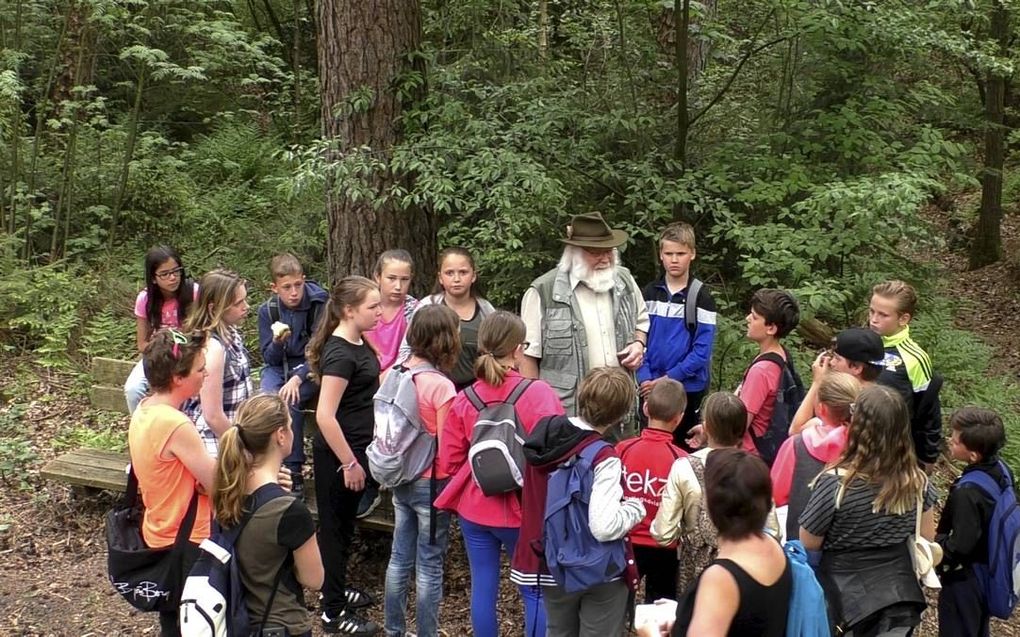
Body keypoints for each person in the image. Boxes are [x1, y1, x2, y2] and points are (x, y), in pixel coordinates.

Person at [434, 311, 565, 637]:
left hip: (475, 509)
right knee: (534, 590)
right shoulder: (538, 393)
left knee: (483, 586)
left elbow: (449, 461)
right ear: (518, 349)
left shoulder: (465, 398)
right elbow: (560, 452)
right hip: (524, 510)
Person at [514, 367, 646, 637]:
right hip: (598, 569)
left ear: (582, 395)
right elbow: (604, 526)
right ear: (620, 414)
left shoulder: (544, 438)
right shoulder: (604, 457)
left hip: (551, 559)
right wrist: (635, 509)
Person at [800, 384, 937, 636]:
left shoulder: (836, 484)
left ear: (857, 426)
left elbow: (808, 541)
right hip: (901, 600)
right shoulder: (918, 482)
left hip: (843, 602)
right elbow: (926, 536)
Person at [641, 449, 792, 637]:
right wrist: (684, 617)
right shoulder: (773, 549)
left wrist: (650, 634)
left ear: (711, 507)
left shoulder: (721, 578)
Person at [306, 276, 382, 635]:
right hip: (339, 457)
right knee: (334, 531)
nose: (380, 312)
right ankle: (332, 612)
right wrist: (349, 462)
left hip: (357, 450)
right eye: (373, 306)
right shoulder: (339, 353)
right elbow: (324, 415)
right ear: (349, 311)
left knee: (345, 528)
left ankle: (334, 589)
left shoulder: (358, 340)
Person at [127, 328, 215, 636]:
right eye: (200, 370)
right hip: (189, 538)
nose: (206, 374)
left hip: (160, 529)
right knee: (197, 623)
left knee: (174, 621)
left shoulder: (144, 410)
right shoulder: (175, 423)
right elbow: (215, 483)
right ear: (178, 378)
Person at [214, 394, 324, 637]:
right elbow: (314, 579)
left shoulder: (226, 491)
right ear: (280, 435)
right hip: (279, 624)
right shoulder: (290, 511)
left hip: (234, 619)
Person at [520, 212, 650, 415]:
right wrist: (537, 412)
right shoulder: (543, 291)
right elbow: (528, 357)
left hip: (621, 408)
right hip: (567, 411)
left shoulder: (624, 281)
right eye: (595, 252)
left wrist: (638, 344)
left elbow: (641, 322)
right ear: (574, 253)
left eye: (609, 251)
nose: (606, 258)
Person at [382, 305, 460, 637]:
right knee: (429, 564)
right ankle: (427, 632)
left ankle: (394, 630)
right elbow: (447, 443)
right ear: (444, 339)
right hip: (431, 482)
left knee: (399, 558)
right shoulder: (439, 385)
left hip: (400, 476)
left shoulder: (392, 373)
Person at [651, 392, 760, 593]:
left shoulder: (684, 467)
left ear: (706, 427)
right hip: (744, 568)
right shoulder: (755, 469)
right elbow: (773, 531)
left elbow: (663, 533)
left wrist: (687, 534)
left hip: (696, 571)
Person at [637, 222, 717, 449]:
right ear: (660, 255)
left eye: (680, 253)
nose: (674, 259)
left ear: (692, 254)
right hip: (650, 389)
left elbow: (701, 352)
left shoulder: (701, 297)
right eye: (668, 253)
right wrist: (645, 378)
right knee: (651, 448)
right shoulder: (649, 293)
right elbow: (638, 340)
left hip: (687, 391)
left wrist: (668, 379)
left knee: (682, 452)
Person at [256, 253, 328, 495]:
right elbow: (269, 358)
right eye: (286, 288)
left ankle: (293, 468)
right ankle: (267, 465)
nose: (294, 292)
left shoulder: (319, 304)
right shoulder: (268, 312)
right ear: (274, 288)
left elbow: (322, 347)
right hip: (279, 365)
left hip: (311, 365)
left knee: (290, 399)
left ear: (304, 280)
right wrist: (277, 343)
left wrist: (298, 377)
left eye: (298, 285)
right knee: (265, 403)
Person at [937, 407, 1008, 637]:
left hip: (965, 581)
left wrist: (936, 556)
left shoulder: (967, 491)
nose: (950, 441)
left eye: (956, 441)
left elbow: (961, 545)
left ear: (974, 455)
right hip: (989, 567)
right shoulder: (1000, 470)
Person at [615, 379, 687, 602]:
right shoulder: (682, 460)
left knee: (616, 605)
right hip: (664, 546)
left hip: (624, 541)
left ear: (646, 408)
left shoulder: (623, 448)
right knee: (660, 610)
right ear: (679, 418)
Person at [771, 371, 860, 541]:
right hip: (851, 546)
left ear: (821, 408)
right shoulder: (871, 446)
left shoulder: (796, 445)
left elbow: (776, 495)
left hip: (801, 545)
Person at [869, 280, 941, 470]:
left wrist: (927, 458)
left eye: (883, 315)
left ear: (903, 319)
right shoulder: (858, 342)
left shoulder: (915, 358)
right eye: (872, 311)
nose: (874, 319)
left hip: (891, 453)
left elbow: (928, 411)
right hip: (849, 443)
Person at [182, 269, 254, 456]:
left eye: (245, 299)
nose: (246, 307)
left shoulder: (231, 332)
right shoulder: (213, 349)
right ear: (214, 309)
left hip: (237, 431)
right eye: (238, 303)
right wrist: (242, 451)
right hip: (218, 442)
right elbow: (212, 416)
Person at [124, 246, 198, 413]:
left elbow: (204, 332)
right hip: (159, 356)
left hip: (189, 355)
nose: (172, 278)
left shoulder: (193, 292)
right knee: (133, 389)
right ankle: (142, 430)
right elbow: (142, 344)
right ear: (154, 278)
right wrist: (162, 352)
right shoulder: (145, 299)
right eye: (165, 274)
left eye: (176, 271)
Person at [735, 288, 800, 460]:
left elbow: (740, 425)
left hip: (750, 456)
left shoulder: (761, 370)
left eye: (755, 317)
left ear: (771, 328)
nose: (747, 319)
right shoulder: (782, 355)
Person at [788, 327, 883, 435]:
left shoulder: (843, 405)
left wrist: (817, 382)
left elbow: (795, 431)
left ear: (857, 368)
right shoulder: (883, 401)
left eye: (837, 359)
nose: (832, 363)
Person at [364, 249, 418, 376]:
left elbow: (413, 355)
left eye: (404, 279)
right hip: (363, 375)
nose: (398, 286)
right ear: (378, 277)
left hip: (399, 377)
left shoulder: (415, 311)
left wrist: (385, 378)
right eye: (391, 278)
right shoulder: (362, 306)